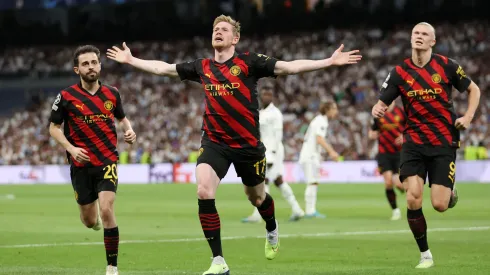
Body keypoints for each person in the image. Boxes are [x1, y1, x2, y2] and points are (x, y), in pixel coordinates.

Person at [106, 15, 361, 275]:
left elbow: (289, 67)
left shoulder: (249, 62)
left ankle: (271, 226)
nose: (218, 32)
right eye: (215, 29)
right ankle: (219, 261)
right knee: (204, 191)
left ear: (235, 38)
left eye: (224, 29)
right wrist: (131, 60)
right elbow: (165, 69)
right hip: (215, 142)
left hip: (248, 145)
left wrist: (329, 61)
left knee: (257, 197)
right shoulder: (201, 66)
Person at [372, 22, 480, 268]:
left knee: (440, 205)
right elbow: (381, 103)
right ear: (411, 39)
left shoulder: (447, 66)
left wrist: (468, 117)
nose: (419, 37)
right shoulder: (399, 72)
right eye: (415, 34)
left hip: (443, 141)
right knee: (413, 198)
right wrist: (377, 108)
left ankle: (449, 191)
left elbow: (474, 90)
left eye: (424, 35)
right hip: (414, 142)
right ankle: (425, 254)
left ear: (433, 41)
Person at [49, 45, 136, 275]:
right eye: (85, 64)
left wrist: (129, 131)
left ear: (100, 65)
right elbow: (53, 128)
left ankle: (112, 267)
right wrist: (70, 148)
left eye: (94, 62)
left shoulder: (112, 94)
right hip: (80, 165)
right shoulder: (66, 97)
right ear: (77, 69)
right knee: (89, 220)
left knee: (107, 208)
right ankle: (93, 219)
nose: (91, 67)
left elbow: (122, 119)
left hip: (107, 160)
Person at [241, 81, 305, 223]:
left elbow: (278, 135)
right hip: (264, 150)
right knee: (277, 180)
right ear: (260, 96)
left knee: (263, 181)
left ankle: (260, 214)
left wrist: (273, 154)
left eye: (269, 94)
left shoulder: (275, 113)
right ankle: (297, 209)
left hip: (272, 151)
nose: (267, 97)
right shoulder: (261, 112)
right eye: (265, 94)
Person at [298, 101, 340, 218]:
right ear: (328, 110)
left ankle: (311, 210)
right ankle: (310, 211)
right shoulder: (321, 121)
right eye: (334, 109)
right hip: (310, 156)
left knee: (313, 182)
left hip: (310, 155)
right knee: (312, 182)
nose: (336, 111)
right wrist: (331, 152)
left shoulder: (319, 120)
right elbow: (319, 139)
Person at [368, 101, 406, 220]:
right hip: (384, 153)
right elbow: (372, 130)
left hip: (400, 153)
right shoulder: (379, 114)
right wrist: (371, 135)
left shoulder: (401, 112)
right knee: (388, 182)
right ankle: (395, 210)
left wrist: (404, 136)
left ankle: (405, 189)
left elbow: (411, 127)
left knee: (400, 185)